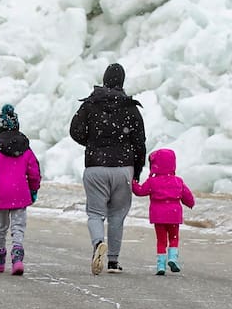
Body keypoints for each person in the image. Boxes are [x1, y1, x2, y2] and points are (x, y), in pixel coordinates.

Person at [69, 62, 147, 275]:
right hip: (123, 168)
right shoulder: (130, 108)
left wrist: (92, 144)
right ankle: (113, 261)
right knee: (117, 215)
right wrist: (136, 171)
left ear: (104, 80)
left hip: (95, 167)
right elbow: (140, 143)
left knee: (95, 213)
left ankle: (97, 244)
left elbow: (74, 130)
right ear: (122, 81)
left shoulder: (90, 104)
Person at [0, 104, 41, 276]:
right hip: (20, 193)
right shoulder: (26, 150)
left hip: (1, 194)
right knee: (18, 227)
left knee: (1, 227)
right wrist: (33, 189)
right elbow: (34, 171)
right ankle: (17, 257)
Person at [131, 148, 196, 275]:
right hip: (174, 214)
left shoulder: (152, 181)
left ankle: (161, 265)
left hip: (159, 216)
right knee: (174, 237)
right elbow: (187, 195)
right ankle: (173, 258)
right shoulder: (178, 181)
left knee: (161, 241)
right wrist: (191, 203)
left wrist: (132, 183)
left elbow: (140, 191)